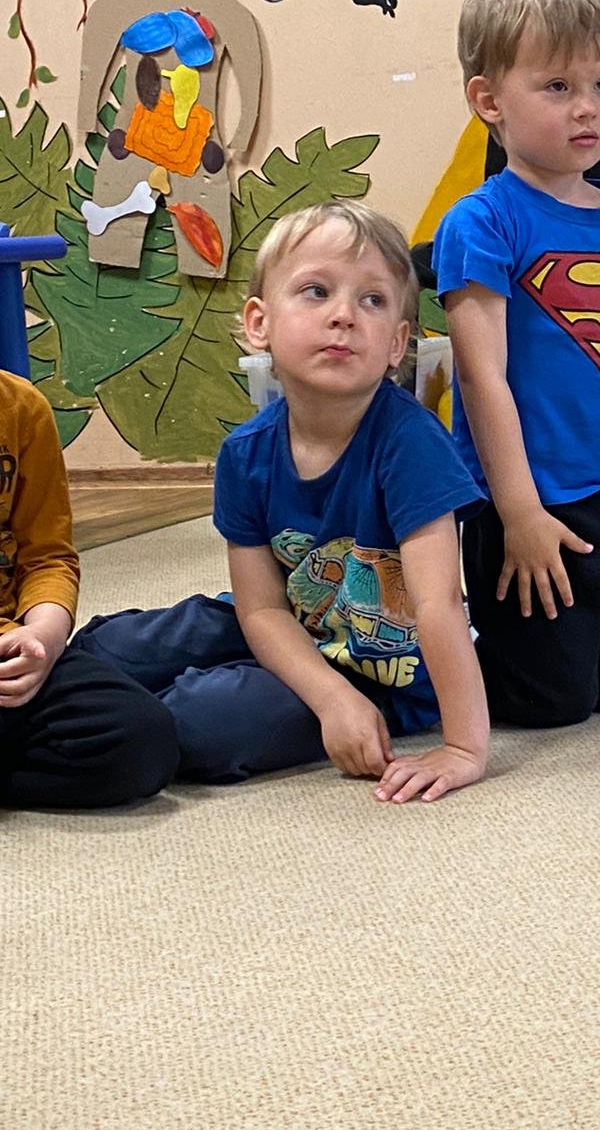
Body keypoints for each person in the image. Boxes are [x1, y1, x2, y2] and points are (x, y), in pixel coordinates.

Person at [74, 201, 489, 803]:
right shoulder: (245, 453)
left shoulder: (411, 444)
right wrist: (324, 692)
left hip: (380, 666)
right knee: (112, 648)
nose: (344, 315)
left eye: (373, 300)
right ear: (259, 323)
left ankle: (112, 723)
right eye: (316, 291)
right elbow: (263, 611)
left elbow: (439, 605)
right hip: (292, 621)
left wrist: (462, 747)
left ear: (397, 343)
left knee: (201, 723)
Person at [434, 0, 600, 728]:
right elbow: (481, 378)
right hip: (537, 500)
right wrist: (518, 511)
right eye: (557, 87)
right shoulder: (482, 221)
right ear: (489, 101)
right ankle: (438, 646)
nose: (588, 107)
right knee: (553, 703)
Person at [0, 371, 178, 808]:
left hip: (7, 650)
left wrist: (42, 638)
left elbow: (47, 558)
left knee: (142, 741)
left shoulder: (21, 406)